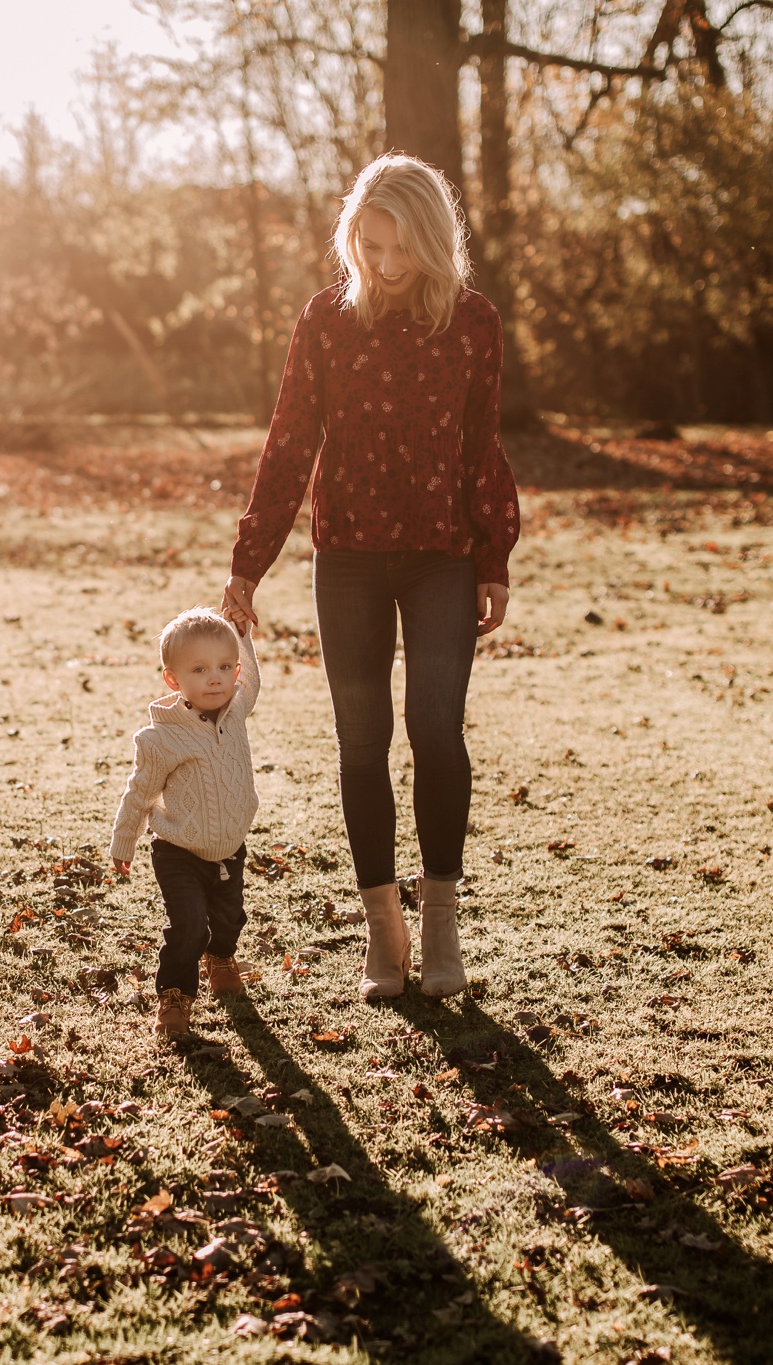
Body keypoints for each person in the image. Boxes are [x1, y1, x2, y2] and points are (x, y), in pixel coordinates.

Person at [220, 153, 520, 1002]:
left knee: (435, 726)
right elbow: (289, 442)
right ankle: (383, 933)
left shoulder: (473, 323)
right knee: (362, 740)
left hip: (443, 558)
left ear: (432, 239)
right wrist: (251, 560)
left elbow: (479, 445)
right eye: (370, 245)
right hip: (347, 556)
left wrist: (494, 555)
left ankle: (442, 926)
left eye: (400, 248)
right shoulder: (326, 321)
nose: (385, 266)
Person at [108, 607, 261, 1038]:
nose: (216, 678)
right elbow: (139, 793)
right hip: (178, 850)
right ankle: (175, 995)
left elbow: (251, 676)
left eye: (224, 667)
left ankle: (222, 957)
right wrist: (125, 841)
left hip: (230, 845)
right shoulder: (161, 738)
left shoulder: (236, 709)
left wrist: (240, 633)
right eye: (200, 669)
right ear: (173, 680)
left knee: (229, 919)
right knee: (190, 925)